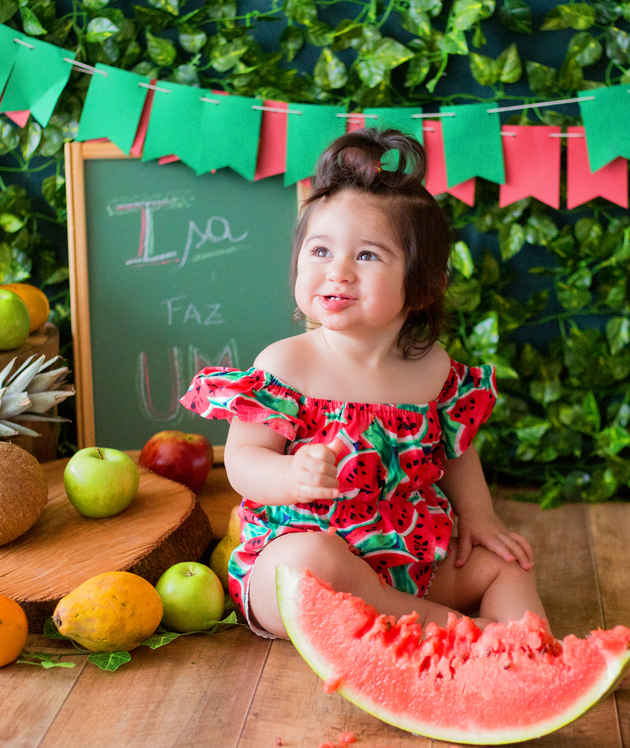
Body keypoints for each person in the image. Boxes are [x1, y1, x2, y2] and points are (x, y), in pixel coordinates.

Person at [180, 127, 546, 639]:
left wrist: (480, 518)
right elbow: (241, 462)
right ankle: (462, 635)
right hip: (304, 567)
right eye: (320, 251)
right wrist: (289, 476)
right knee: (311, 558)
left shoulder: (434, 369)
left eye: (368, 256)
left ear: (422, 284)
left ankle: (532, 654)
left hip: (411, 562)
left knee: (505, 564)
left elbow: (457, 453)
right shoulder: (287, 364)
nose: (338, 272)